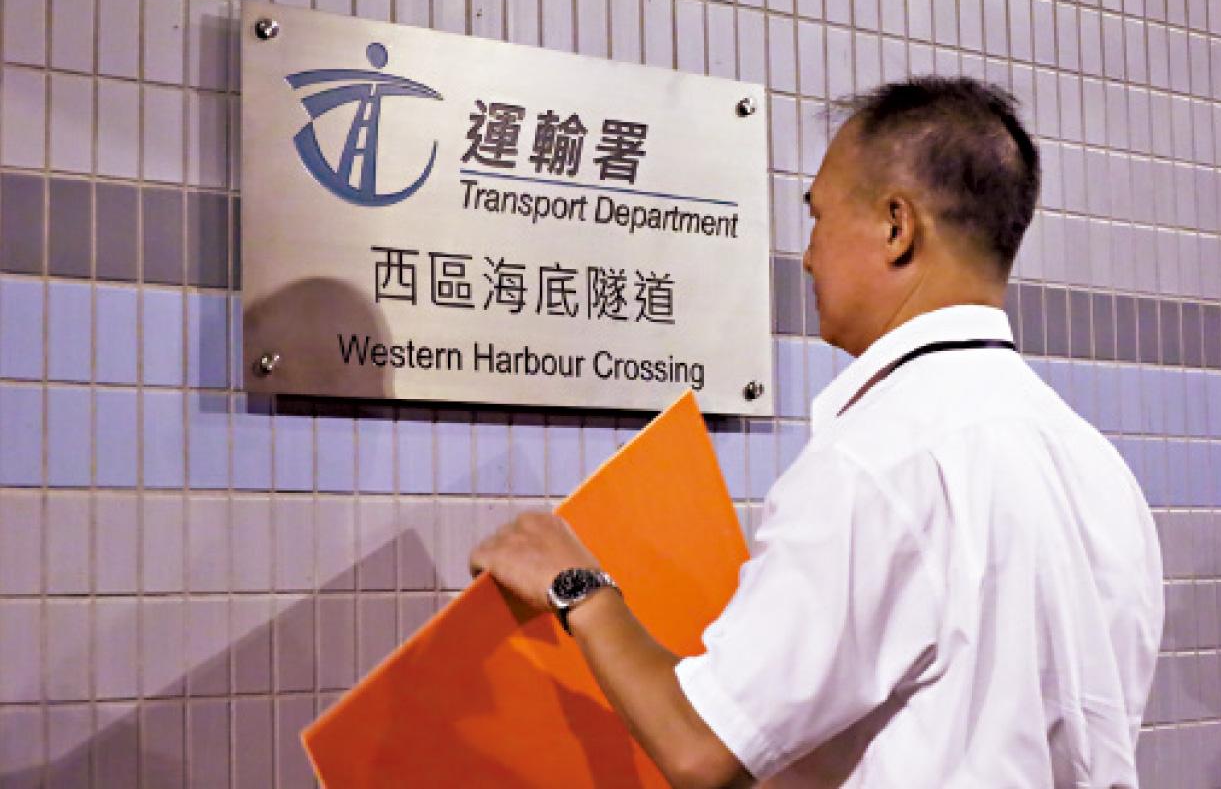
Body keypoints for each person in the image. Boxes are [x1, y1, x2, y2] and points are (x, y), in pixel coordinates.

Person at [470, 76, 1164, 788]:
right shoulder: (1098, 468)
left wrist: (579, 588)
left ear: (896, 227)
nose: (807, 256)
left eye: (819, 217)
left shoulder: (878, 457)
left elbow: (701, 747)